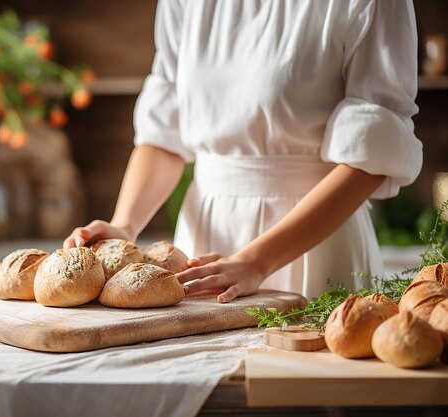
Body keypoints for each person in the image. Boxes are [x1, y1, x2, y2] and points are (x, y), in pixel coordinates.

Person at [64, 0, 422, 303]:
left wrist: (257, 261)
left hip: (317, 240)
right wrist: (125, 224)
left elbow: (372, 153)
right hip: (202, 238)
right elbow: (163, 133)